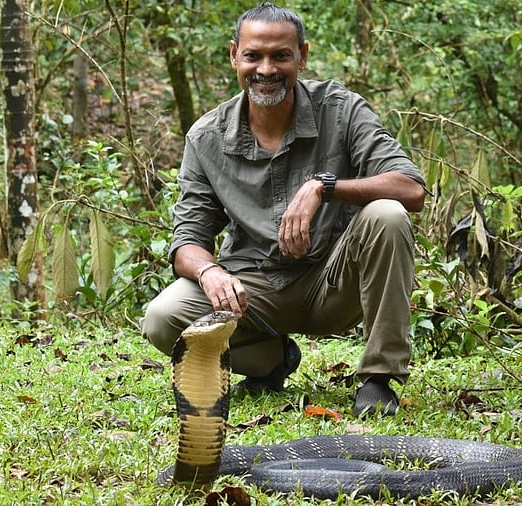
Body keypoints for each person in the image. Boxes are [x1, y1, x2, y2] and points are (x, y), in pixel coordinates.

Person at [141, 2, 426, 417]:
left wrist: (323, 187)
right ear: (234, 55)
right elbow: (188, 240)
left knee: (388, 214)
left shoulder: (342, 110)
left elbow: (411, 189)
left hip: (333, 282)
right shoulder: (205, 137)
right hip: (252, 291)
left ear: (302, 56)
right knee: (163, 317)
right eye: (254, 55)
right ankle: (269, 359)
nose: (267, 69)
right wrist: (209, 271)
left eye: (281, 56)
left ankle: (379, 378)